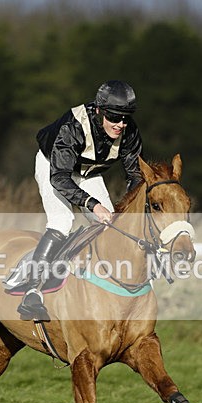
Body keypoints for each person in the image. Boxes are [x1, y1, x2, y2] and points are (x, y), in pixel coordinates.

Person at [18, 80, 144, 321]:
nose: (120, 125)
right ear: (99, 111)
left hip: (87, 171)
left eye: (125, 119)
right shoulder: (73, 126)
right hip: (53, 166)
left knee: (110, 225)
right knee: (62, 222)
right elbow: (60, 178)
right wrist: (93, 205)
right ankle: (32, 291)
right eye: (115, 118)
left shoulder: (129, 130)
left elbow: (136, 176)